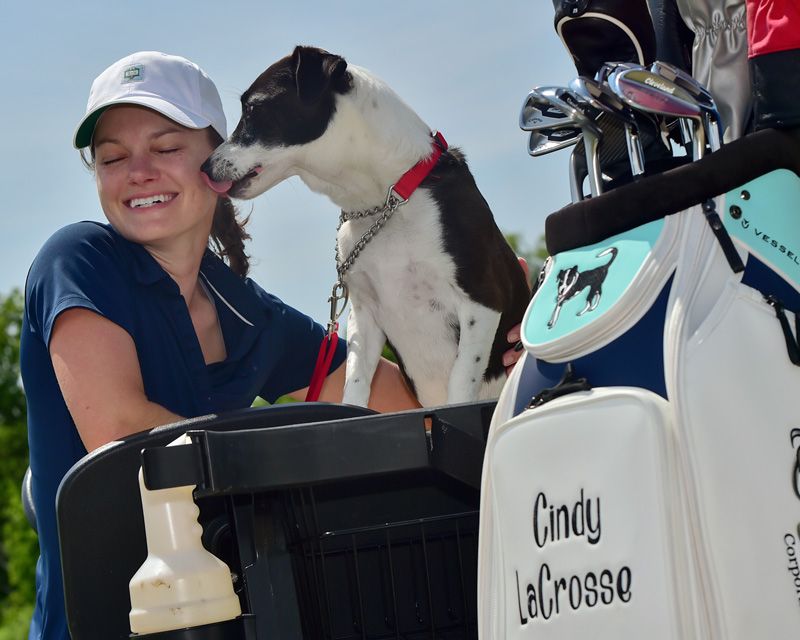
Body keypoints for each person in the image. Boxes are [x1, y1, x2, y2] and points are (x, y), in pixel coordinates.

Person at [19, 50, 526, 640]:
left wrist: (508, 344)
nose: (139, 171)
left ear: (219, 157)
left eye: (165, 148)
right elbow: (121, 434)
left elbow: (405, 407)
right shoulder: (78, 259)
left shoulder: (246, 309)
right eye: (112, 158)